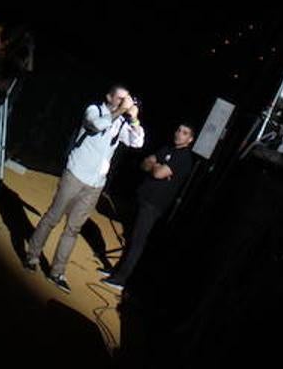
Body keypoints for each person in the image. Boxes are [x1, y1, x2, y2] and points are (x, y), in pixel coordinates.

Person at [23, 85, 144, 293]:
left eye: (126, 99)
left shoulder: (121, 123)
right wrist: (120, 112)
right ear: (109, 97)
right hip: (75, 175)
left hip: (95, 184)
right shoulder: (94, 110)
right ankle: (32, 255)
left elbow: (138, 142)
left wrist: (133, 119)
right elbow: (95, 126)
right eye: (120, 98)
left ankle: (57, 272)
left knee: (73, 228)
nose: (123, 102)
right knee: (53, 217)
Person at [101, 123, 195, 292]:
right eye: (178, 130)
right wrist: (155, 166)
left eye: (184, 132)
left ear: (190, 139)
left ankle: (122, 278)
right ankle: (116, 270)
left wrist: (155, 167)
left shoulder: (184, 158)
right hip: (143, 197)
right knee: (130, 236)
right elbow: (145, 164)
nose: (179, 134)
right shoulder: (167, 148)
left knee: (137, 241)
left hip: (154, 204)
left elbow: (158, 173)